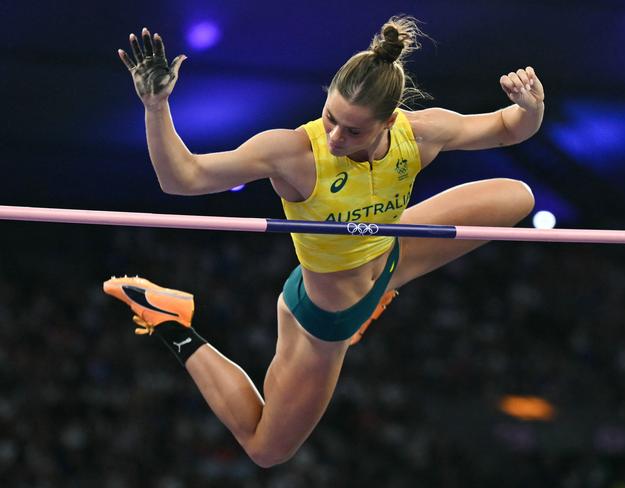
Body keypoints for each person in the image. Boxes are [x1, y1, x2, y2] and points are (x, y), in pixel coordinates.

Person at [105, 16, 543, 468]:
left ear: (389, 121)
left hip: (391, 257)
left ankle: (381, 287)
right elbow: (182, 178)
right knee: (266, 450)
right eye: (330, 118)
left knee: (518, 197)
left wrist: (531, 108)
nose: (335, 137)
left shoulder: (419, 133)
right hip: (326, 316)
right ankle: (172, 321)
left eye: (353, 131)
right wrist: (155, 107)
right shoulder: (293, 153)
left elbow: (509, 128)